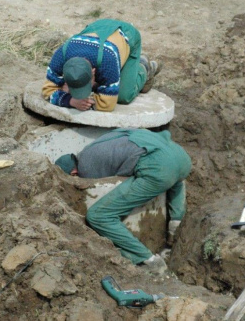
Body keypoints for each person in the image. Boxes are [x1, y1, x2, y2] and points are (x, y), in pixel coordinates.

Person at [55, 128, 191, 275]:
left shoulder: (85, 167)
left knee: (99, 216)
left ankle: (149, 261)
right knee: (174, 178)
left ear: (73, 173)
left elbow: (98, 187)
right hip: (181, 157)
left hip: (160, 168)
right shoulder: (92, 148)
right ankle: (174, 231)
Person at [42, 19, 161, 112]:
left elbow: (108, 104)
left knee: (123, 96)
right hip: (97, 29)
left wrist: (80, 100)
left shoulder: (108, 62)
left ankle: (144, 67)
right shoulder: (61, 55)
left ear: (93, 72)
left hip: (127, 35)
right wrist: (71, 101)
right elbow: (47, 90)